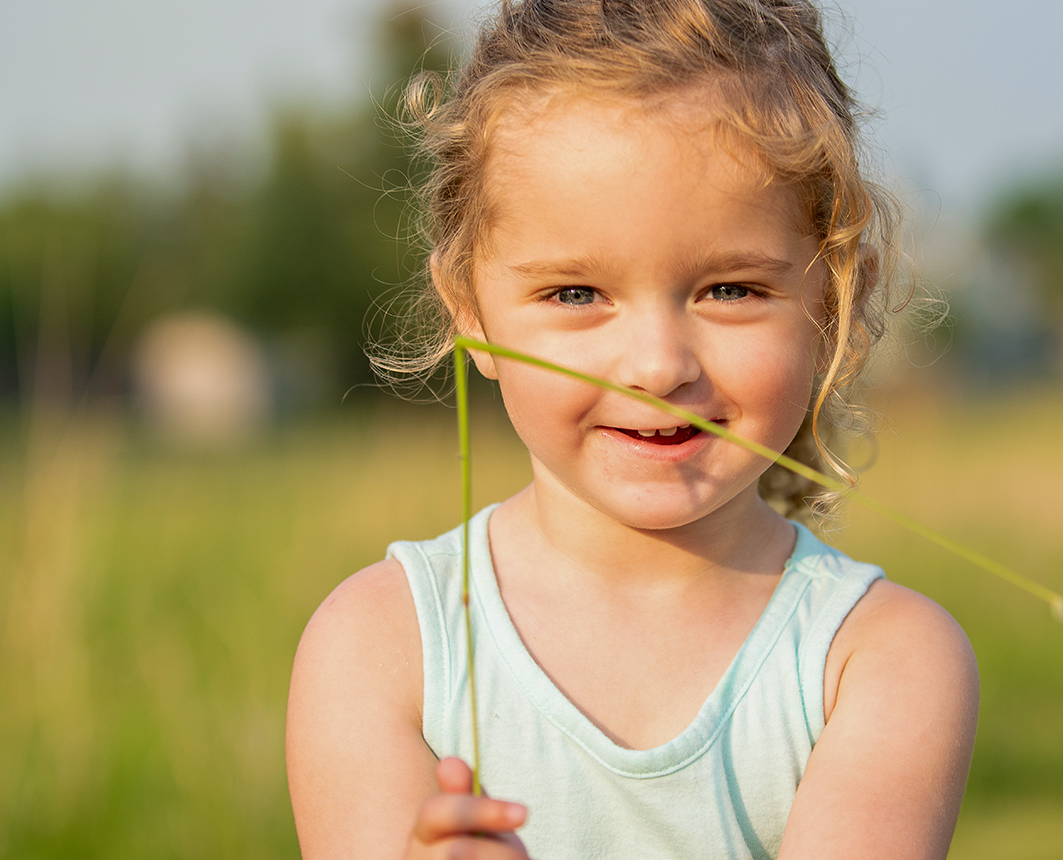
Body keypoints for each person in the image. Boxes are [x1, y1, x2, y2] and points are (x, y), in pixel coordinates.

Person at [286, 1, 979, 858]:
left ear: (831, 304)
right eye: (575, 294)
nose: (657, 366)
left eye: (729, 289)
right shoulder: (380, 647)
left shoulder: (878, 660)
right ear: (468, 309)